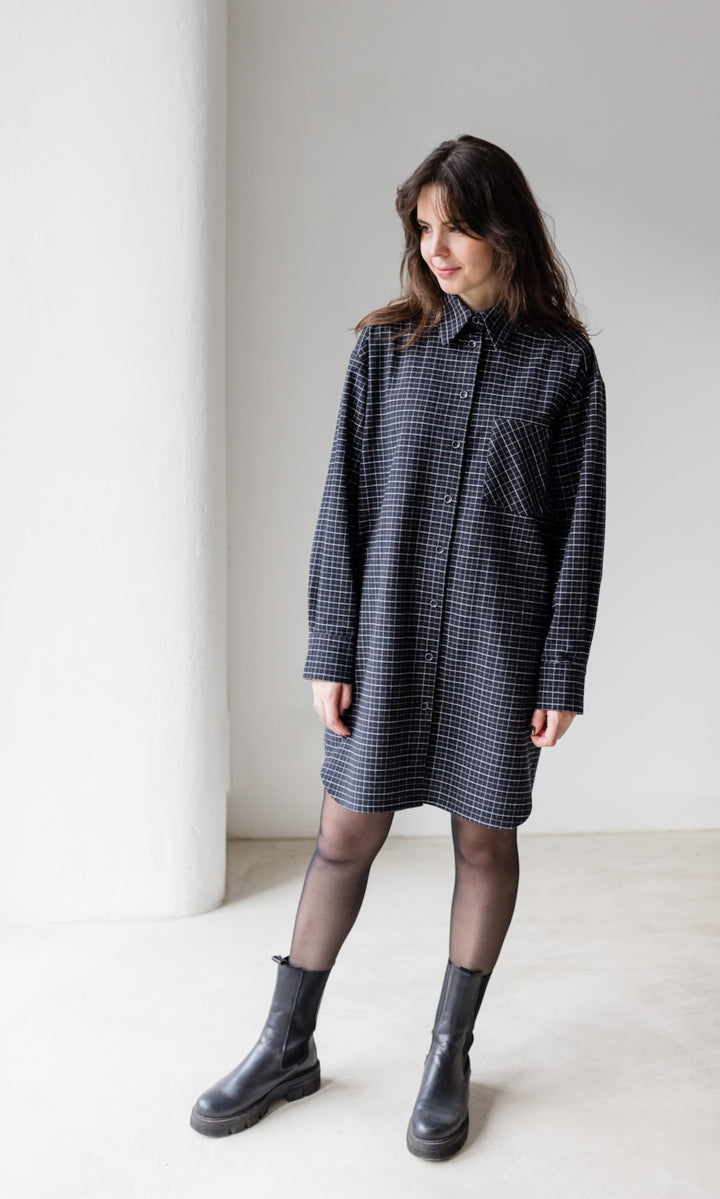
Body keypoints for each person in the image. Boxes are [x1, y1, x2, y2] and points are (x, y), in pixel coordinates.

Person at [190, 135, 606, 1160]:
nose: (437, 249)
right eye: (424, 229)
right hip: (389, 635)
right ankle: (286, 1041)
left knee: (483, 841)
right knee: (344, 834)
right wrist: (331, 645)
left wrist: (560, 670)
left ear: (504, 228)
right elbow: (344, 505)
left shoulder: (564, 363)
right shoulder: (386, 351)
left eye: (456, 227)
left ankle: (447, 1055)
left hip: (502, 644)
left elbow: (580, 530)